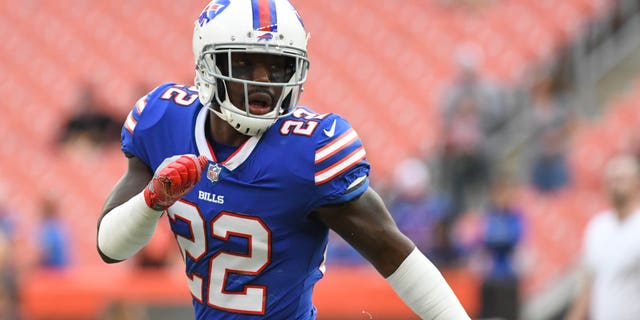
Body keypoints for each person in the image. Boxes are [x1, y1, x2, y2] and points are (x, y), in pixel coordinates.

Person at [96, 1, 471, 319]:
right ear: (208, 64)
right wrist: (153, 201)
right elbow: (109, 249)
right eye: (245, 63)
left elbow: (396, 256)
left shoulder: (308, 153)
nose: (264, 80)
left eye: (278, 67)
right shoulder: (163, 120)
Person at [566, 155, 640, 320]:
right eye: (610, 180)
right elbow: (588, 287)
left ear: (637, 184)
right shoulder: (597, 227)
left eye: (620, 180)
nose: (614, 186)